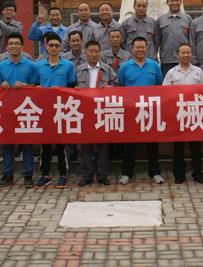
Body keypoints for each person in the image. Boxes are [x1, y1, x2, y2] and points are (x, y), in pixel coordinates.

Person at [117, 37, 164, 185]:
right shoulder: (125, 67)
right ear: (132, 49)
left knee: (152, 144)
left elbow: (159, 85)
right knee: (129, 145)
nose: (140, 50)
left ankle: (155, 173)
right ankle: (127, 173)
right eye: (137, 47)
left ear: (147, 49)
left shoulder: (154, 65)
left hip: (150, 110)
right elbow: (121, 87)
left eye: (143, 47)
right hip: (131, 111)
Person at [33, 32, 76, 189]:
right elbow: (34, 85)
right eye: (51, 45)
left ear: (60, 48)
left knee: (60, 144)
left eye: (57, 46)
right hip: (44, 109)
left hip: (61, 110)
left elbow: (71, 86)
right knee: (45, 144)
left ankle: (62, 174)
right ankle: (45, 175)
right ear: (46, 46)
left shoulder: (68, 65)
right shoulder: (38, 66)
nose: (54, 48)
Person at [0, 33, 37, 189]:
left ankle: (28, 174)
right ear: (7, 47)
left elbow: (35, 86)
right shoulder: (0, 66)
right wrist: (2, 86)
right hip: (7, 110)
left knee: (27, 143)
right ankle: (7, 174)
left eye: (17, 43)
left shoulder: (30, 65)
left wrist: (25, 86)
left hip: (25, 109)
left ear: (22, 46)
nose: (14, 46)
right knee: (7, 143)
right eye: (11, 43)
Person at [75, 40, 119, 187]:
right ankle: (87, 175)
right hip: (85, 112)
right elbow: (71, 87)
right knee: (85, 145)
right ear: (85, 53)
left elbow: (116, 85)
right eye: (91, 51)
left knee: (103, 145)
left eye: (97, 51)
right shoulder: (78, 70)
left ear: (100, 53)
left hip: (102, 111)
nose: (94, 54)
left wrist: (109, 88)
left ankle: (102, 175)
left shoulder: (107, 69)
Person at [163, 44, 203, 185]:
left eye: (188, 52)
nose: (186, 55)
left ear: (192, 55)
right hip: (178, 115)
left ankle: (197, 173)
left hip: (194, 114)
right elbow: (165, 93)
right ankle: (179, 174)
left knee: (195, 146)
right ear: (178, 55)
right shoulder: (171, 73)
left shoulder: (198, 71)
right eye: (183, 53)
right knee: (178, 146)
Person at [155, 0, 192, 76]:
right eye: (171, 1)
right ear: (167, 3)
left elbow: (191, 40)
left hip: (184, 59)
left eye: (176, 0)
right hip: (167, 60)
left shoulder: (187, 18)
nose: (174, 3)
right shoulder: (161, 19)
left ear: (181, 2)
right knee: (167, 82)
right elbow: (157, 41)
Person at [0, 0, 23, 67]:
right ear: (2, 11)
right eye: (7, 10)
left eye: (11, 10)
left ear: (15, 13)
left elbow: (11, 33)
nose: (9, 12)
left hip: (13, 59)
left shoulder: (18, 25)